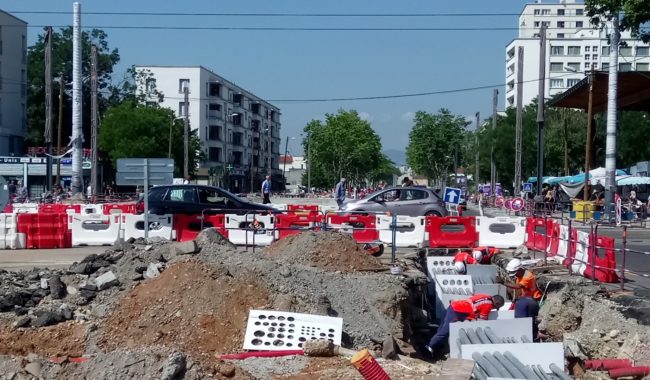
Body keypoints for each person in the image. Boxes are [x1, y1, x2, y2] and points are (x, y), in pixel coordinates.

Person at [426, 294, 505, 354]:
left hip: (456, 306)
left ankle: (436, 347)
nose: (495, 309)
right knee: (444, 331)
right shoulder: (488, 305)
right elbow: (482, 321)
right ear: (497, 303)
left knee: (442, 328)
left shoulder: (486, 296)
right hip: (458, 311)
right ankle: (429, 348)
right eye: (497, 307)